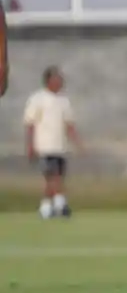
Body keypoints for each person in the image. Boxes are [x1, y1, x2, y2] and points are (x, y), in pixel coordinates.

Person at [24, 66, 82, 219]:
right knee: (52, 175)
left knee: (57, 178)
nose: (60, 82)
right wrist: (30, 145)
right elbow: (30, 124)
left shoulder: (64, 101)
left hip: (60, 146)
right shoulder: (38, 99)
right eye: (57, 79)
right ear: (49, 81)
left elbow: (69, 124)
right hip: (44, 146)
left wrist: (77, 142)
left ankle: (46, 208)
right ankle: (61, 205)